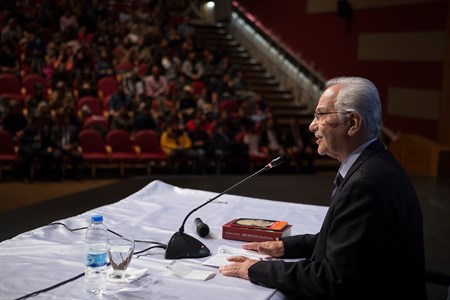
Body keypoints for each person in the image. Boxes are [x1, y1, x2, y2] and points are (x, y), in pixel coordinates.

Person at [219, 77, 426, 299]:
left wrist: (254, 269)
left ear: (353, 123)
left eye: (321, 115)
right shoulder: (376, 163)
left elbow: (334, 279)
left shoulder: (366, 184)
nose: (312, 125)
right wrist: (285, 247)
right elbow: (344, 240)